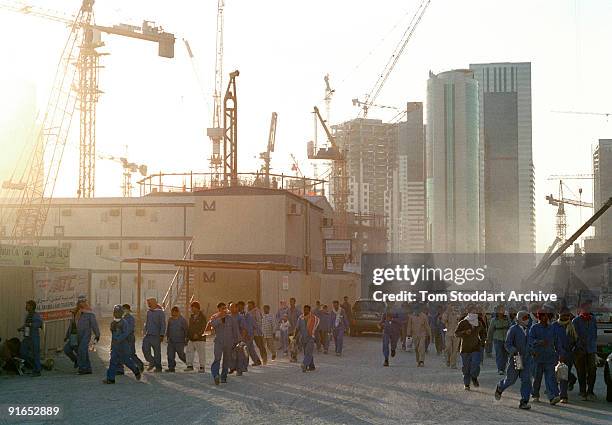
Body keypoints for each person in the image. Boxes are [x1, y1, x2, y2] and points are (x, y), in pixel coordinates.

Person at [495, 310, 533, 410]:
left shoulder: (529, 329)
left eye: (528, 317)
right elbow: (507, 344)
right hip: (517, 358)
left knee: (526, 380)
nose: (527, 320)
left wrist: (533, 349)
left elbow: (531, 342)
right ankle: (500, 387)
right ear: (519, 319)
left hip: (527, 358)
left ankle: (524, 401)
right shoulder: (513, 329)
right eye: (524, 318)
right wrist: (514, 351)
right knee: (511, 380)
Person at [528, 308, 561, 405]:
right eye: (542, 316)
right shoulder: (534, 328)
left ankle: (553, 396)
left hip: (550, 357)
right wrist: (539, 342)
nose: (545, 317)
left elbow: (557, 342)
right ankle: (535, 394)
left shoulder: (552, 328)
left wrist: (560, 353)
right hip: (537, 357)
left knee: (551, 378)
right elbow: (530, 342)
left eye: (546, 315)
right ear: (539, 317)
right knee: (537, 378)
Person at [103, 305, 142, 384]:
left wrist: (119, 339)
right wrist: (112, 345)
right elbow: (113, 336)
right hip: (115, 346)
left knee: (126, 361)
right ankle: (111, 378)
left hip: (123, 346)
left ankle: (136, 370)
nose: (116, 314)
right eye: (115, 312)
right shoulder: (113, 323)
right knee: (113, 361)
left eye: (118, 312)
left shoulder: (124, 323)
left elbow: (126, 333)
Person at [65, 298, 100, 375]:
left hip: (85, 335)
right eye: (80, 302)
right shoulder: (75, 313)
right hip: (74, 336)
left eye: (83, 302)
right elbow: (71, 325)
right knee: (67, 349)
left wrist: (97, 335)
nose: (81, 304)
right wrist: (67, 335)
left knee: (82, 350)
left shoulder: (90, 314)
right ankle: (77, 361)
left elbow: (94, 325)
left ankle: (83, 368)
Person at [207, 302, 240, 385]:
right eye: (222, 308)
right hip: (219, 342)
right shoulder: (215, 317)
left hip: (229, 343)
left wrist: (238, 340)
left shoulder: (231, 318)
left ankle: (224, 377)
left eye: (225, 308)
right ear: (219, 309)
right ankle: (216, 375)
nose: (224, 310)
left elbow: (235, 330)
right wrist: (220, 319)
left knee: (226, 360)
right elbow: (212, 325)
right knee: (217, 359)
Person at [454, 305, 486, 390]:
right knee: (466, 367)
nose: (474, 313)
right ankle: (467, 384)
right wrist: (464, 332)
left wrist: (483, 342)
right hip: (465, 348)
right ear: (469, 312)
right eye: (472, 311)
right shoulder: (463, 322)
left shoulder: (478, 323)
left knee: (475, 365)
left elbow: (483, 333)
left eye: (475, 311)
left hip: (476, 347)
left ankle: (474, 377)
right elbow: (456, 333)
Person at [572, 302, 598, 401]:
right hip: (579, 350)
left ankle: (590, 391)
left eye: (589, 307)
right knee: (581, 371)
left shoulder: (593, 320)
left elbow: (594, 334)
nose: (588, 309)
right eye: (586, 307)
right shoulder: (576, 321)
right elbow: (574, 336)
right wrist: (579, 344)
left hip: (591, 349)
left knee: (592, 370)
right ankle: (582, 391)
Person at [553, 306, 577, 403]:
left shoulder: (572, 326)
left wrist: (574, 349)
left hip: (569, 354)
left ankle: (563, 396)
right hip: (556, 353)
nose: (566, 317)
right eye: (564, 315)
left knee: (564, 374)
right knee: (556, 374)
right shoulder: (554, 326)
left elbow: (576, 340)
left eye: (568, 315)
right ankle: (572, 379)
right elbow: (553, 340)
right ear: (559, 315)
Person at [117, 304, 144, 375]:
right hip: (123, 338)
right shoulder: (122, 318)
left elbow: (130, 329)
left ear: (128, 310)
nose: (123, 311)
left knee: (131, 353)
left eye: (124, 309)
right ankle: (120, 369)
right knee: (121, 353)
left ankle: (140, 365)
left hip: (129, 338)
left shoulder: (131, 318)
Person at [18, 300, 43, 377]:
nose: (26, 307)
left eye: (27, 305)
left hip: (34, 337)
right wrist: (21, 328)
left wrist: (31, 324)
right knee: (23, 352)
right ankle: (35, 366)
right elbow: (26, 325)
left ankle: (37, 370)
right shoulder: (28, 315)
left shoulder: (36, 315)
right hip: (27, 337)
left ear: (32, 306)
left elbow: (39, 323)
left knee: (36, 354)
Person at [142, 297, 165, 373]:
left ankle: (158, 367)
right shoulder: (148, 312)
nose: (148, 304)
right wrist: (144, 331)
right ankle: (152, 362)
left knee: (157, 352)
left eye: (149, 303)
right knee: (145, 349)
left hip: (156, 335)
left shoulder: (160, 312)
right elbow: (147, 322)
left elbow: (163, 324)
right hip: (148, 335)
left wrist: (162, 335)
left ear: (153, 303)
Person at [488, 304, 511, 375]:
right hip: (497, 338)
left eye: (503, 309)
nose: (502, 311)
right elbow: (490, 330)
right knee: (499, 354)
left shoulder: (507, 319)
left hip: (506, 339)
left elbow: (510, 328)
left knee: (505, 355)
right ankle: (500, 369)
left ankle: (503, 368)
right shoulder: (493, 320)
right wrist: (489, 339)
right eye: (501, 310)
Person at [295, 305, 319, 372]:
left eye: (307, 310)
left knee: (308, 351)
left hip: (310, 337)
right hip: (303, 338)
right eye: (304, 309)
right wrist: (294, 336)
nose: (305, 311)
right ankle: (312, 366)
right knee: (307, 352)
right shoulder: (301, 318)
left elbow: (316, 325)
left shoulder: (313, 318)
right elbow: (297, 328)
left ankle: (304, 365)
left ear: (309, 310)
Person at [185, 301, 207, 372]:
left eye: (193, 308)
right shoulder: (191, 317)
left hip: (200, 338)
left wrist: (198, 334)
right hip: (191, 338)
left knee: (201, 353)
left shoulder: (202, 317)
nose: (192, 309)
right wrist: (188, 336)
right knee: (189, 351)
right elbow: (190, 327)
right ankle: (189, 365)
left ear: (197, 308)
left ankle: (202, 367)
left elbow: (204, 327)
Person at [238, 301, 261, 366]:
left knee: (246, 349)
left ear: (242, 306)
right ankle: (257, 361)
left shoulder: (247, 315)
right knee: (250, 349)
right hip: (245, 334)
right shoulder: (241, 314)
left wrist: (257, 332)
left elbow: (253, 324)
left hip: (248, 334)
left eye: (240, 306)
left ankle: (245, 363)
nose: (239, 307)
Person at [165, 306, 188, 372]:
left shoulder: (182, 320)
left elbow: (186, 330)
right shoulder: (170, 319)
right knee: (170, 355)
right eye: (172, 312)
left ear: (177, 312)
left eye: (174, 312)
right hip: (171, 341)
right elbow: (168, 329)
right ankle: (171, 367)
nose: (173, 314)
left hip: (179, 341)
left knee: (181, 355)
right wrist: (168, 336)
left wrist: (186, 339)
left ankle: (189, 363)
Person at [229, 302, 248, 375]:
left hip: (238, 339)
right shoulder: (228, 317)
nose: (231, 309)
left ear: (236, 308)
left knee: (239, 355)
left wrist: (242, 339)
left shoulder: (240, 317)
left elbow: (243, 329)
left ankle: (239, 370)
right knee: (230, 355)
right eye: (230, 307)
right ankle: (231, 368)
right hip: (229, 339)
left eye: (233, 307)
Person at [442, 304, 460, 369]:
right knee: (448, 348)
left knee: (455, 350)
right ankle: (448, 359)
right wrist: (447, 312)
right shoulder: (447, 313)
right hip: (448, 334)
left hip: (456, 334)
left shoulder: (459, 313)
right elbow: (443, 321)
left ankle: (453, 364)